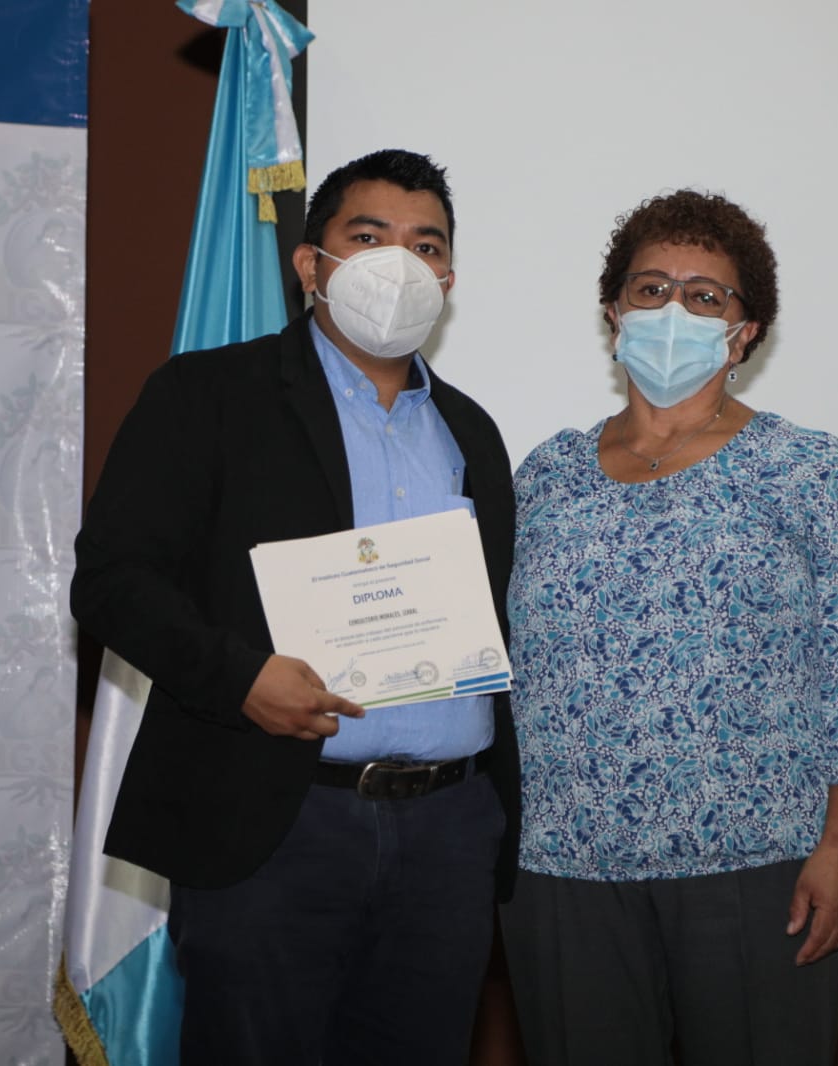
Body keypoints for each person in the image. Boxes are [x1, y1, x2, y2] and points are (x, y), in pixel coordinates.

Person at [70, 149, 517, 1065]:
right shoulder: (207, 395)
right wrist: (238, 678)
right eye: (369, 237)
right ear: (311, 265)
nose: (400, 264)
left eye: (426, 246)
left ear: (447, 281)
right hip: (275, 820)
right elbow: (112, 579)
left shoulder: (472, 431)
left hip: (448, 833)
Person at [500, 190, 838, 1065]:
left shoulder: (808, 472)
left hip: (756, 867)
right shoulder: (545, 477)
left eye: (704, 295)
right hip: (562, 868)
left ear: (744, 331)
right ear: (613, 313)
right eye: (650, 289)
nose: (673, 310)